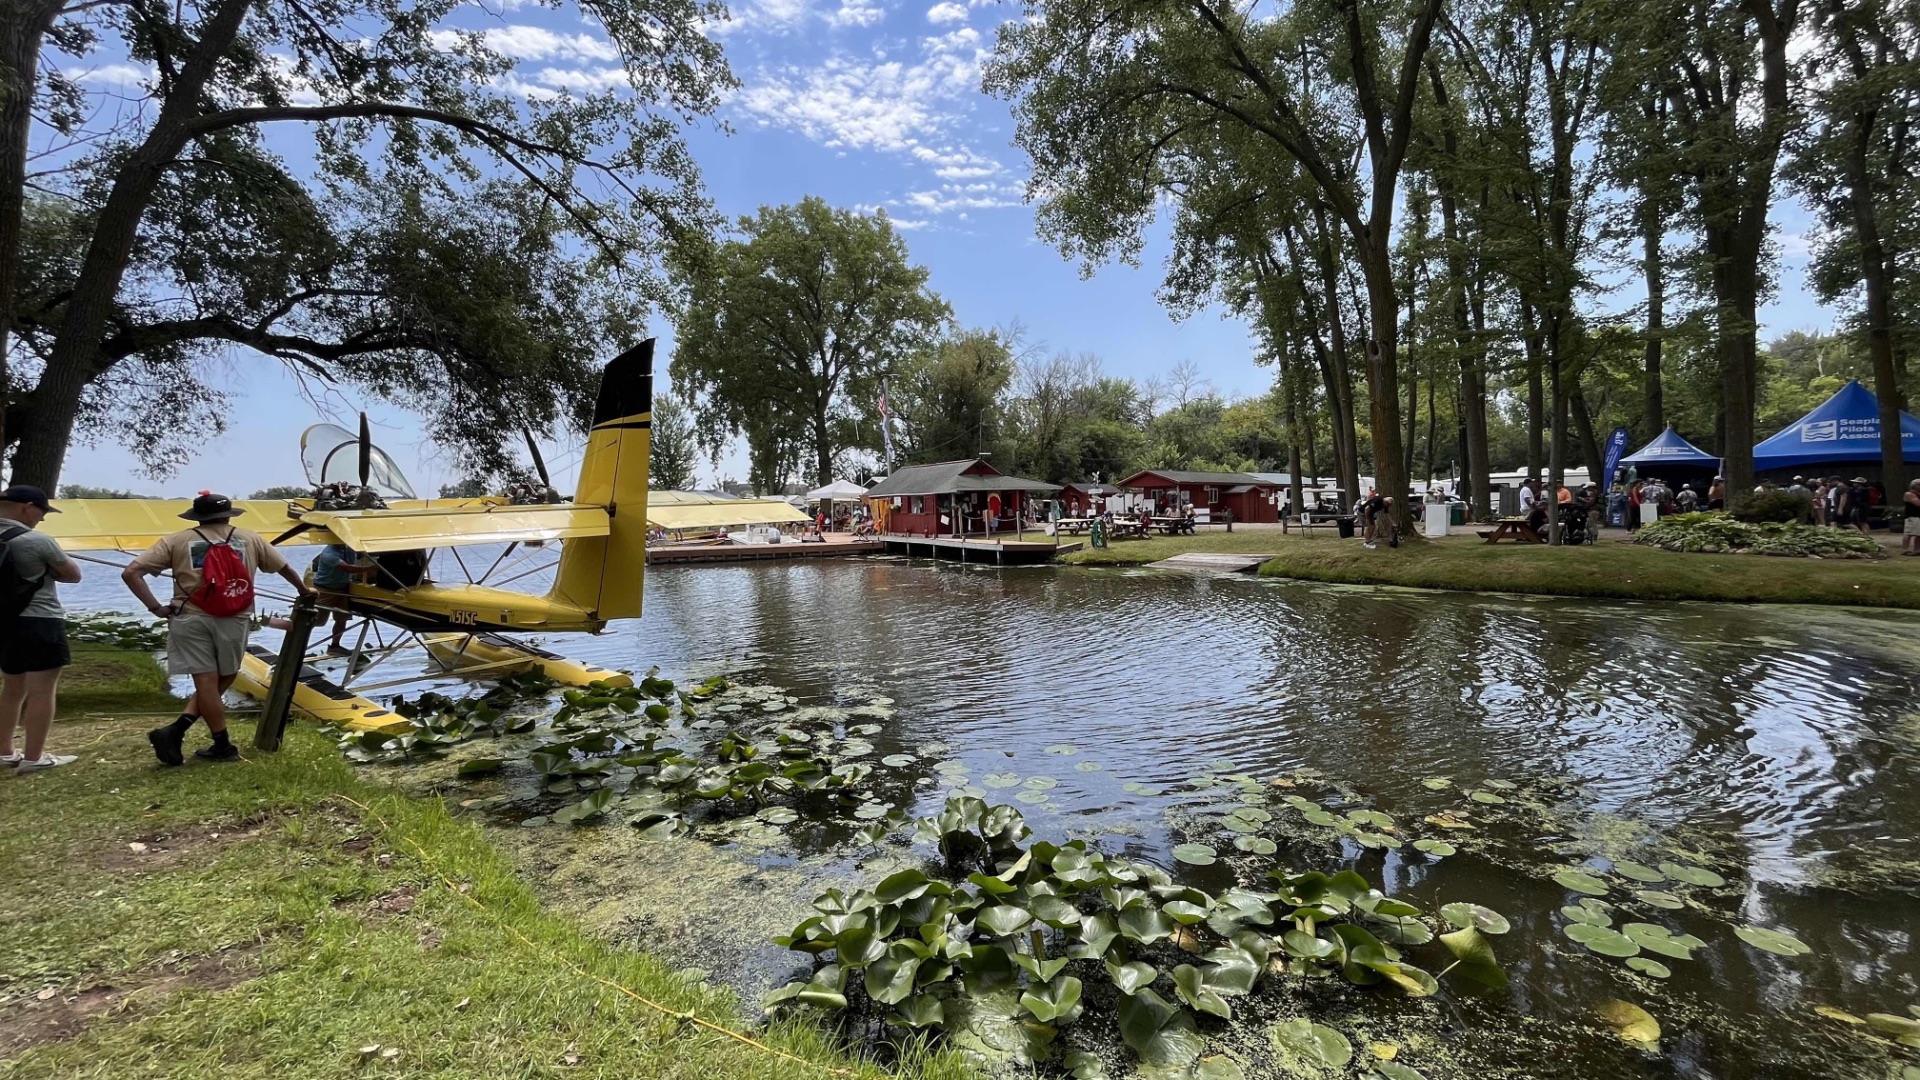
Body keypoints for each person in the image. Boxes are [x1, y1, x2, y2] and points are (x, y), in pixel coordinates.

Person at [122, 493, 310, 765]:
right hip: (235, 617)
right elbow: (284, 568)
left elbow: (131, 573)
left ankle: (186, 734)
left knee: (206, 680)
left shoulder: (176, 540)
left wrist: (156, 608)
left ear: (197, 516)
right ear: (228, 515)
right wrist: (304, 590)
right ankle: (210, 741)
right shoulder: (250, 538)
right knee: (227, 675)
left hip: (190, 616)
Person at [0, 485, 82, 771]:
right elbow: (73, 575)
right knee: (42, 690)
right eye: (42, 511)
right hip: (41, 620)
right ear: (27, 507)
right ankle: (34, 758)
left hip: (5, 622)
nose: (42, 518)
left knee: (12, 688)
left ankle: (4, 752)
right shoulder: (37, 540)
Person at [308, 542, 376, 652]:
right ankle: (298, 644)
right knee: (316, 620)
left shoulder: (349, 548)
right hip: (325, 590)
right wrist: (370, 568)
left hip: (343, 588)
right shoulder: (329, 554)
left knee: (342, 618)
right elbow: (347, 568)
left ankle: (335, 645)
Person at [1905, 480, 1920, 555]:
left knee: (1919, 534)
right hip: (1912, 517)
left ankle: (1917, 549)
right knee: (1909, 534)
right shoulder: (1909, 494)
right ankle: (1905, 549)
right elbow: (1918, 503)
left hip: (1918, 516)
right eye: (1919, 485)